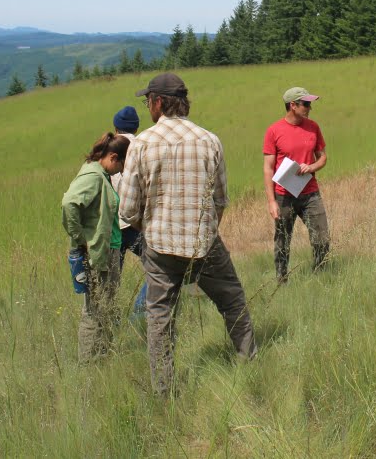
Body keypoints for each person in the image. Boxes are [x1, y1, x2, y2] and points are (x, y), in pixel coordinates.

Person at [118, 72, 257, 396]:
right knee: (233, 301)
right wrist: (204, 229)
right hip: (205, 243)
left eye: (148, 100)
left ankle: (165, 393)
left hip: (160, 248)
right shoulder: (210, 140)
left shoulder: (142, 144)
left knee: (160, 319)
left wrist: (149, 229)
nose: (148, 106)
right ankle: (249, 362)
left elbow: (127, 210)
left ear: (158, 102)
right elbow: (221, 200)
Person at [61, 132, 131, 363]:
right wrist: (80, 238)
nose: (121, 171)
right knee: (94, 310)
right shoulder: (93, 176)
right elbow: (70, 203)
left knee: (106, 308)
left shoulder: (100, 174)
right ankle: (89, 365)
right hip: (96, 254)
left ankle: (103, 359)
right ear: (113, 157)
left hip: (105, 251)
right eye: (121, 165)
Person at [263, 87, 330, 284]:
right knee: (282, 240)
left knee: (322, 238)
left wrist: (311, 167)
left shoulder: (313, 127)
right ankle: (281, 281)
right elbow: (268, 168)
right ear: (292, 106)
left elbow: (323, 157)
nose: (310, 108)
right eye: (306, 104)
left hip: (310, 192)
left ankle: (321, 276)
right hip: (284, 195)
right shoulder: (274, 131)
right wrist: (271, 202)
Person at [110, 105, 148, 316]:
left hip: (113, 227)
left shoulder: (110, 148)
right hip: (136, 224)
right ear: (136, 127)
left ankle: (110, 323)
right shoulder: (144, 146)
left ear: (116, 128)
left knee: (110, 283)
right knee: (157, 268)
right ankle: (139, 313)